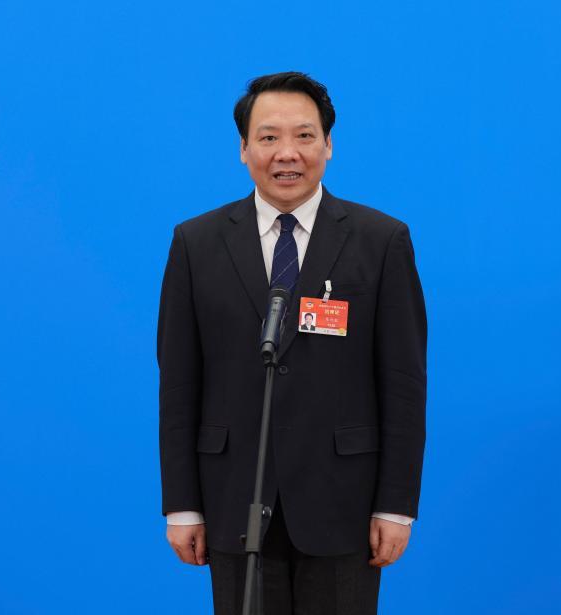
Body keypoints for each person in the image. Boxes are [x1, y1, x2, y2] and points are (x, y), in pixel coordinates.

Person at [158, 71, 426, 614]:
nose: (287, 153)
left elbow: (403, 384)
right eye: (269, 137)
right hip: (234, 496)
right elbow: (180, 382)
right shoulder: (197, 243)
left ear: (328, 144)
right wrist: (183, 505)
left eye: (304, 136)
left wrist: (395, 506)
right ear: (243, 148)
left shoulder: (380, 241)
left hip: (344, 500)